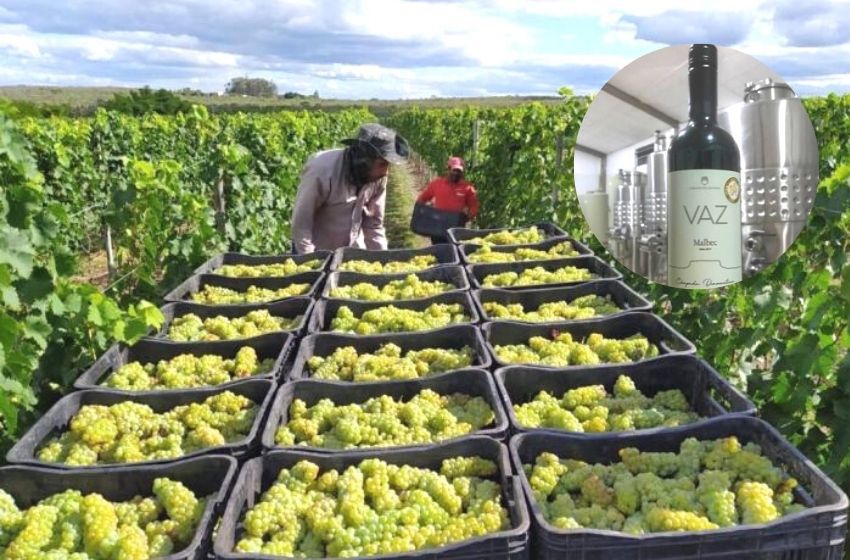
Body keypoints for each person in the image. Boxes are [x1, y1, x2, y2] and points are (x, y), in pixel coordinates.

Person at [290, 123, 409, 254]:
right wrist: (311, 263)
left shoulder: (378, 177)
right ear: (364, 159)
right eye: (382, 164)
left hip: (350, 253)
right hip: (315, 250)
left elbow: (373, 224)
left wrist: (384, 261)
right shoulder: (322, 170)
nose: (386, 172)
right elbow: (301, 224)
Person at [416, 156, 479, 244]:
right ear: (448, 169)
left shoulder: (467, 187)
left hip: (456, 227)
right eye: (454, 170)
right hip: (437, 226)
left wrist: (467, 217)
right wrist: (421, 214)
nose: (456, 173)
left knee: (454, 251)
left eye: (459, 171)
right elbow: (423, 198)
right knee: (438, 249)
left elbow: (474, 206)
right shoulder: (437, 184)